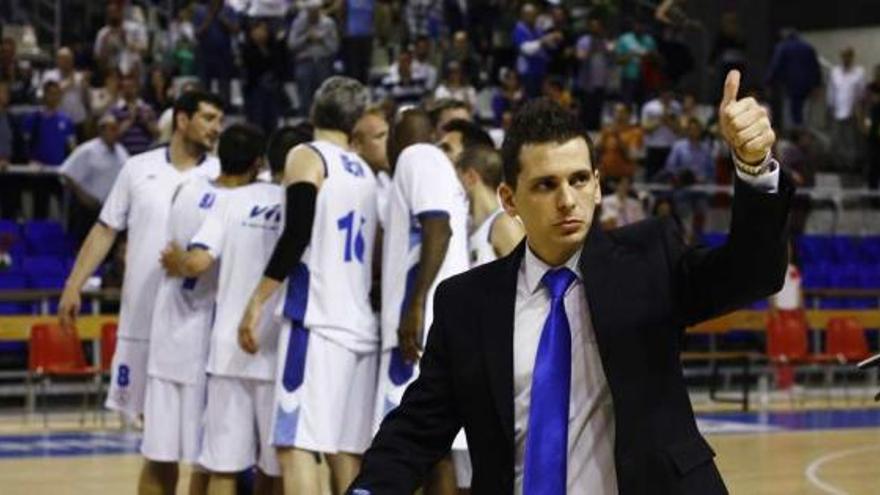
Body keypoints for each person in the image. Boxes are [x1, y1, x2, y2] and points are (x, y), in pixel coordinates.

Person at [349, 70, 790, 494]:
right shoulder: (466, 302)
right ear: (509, 198)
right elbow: (417, 429)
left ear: (597, 186)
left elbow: (753, 272)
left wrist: (753, 168)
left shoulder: (648, 259)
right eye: (545, 185)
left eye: (579, 180)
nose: (566, 200)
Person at [237, 77, 378, 495]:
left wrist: (257, 300)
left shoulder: (306, 155)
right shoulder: (366, 172)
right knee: (345, 452)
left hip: (316, 320)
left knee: (294, 445)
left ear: (315, 110)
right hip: (358, 324)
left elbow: (297, 231)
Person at [58, 90, 224, 422]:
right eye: (208, 118)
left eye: (220, 120)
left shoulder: (223, 175)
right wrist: (73, 284)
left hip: (199, 318)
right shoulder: (137, 168)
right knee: (148, 426)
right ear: (182, 120)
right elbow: (105, 229)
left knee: (198, 427)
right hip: (141, 316)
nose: (216, 128)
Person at [158, 125, 290, 495]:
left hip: (228, 351)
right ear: (259, 162)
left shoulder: (228, 201)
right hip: (276, 348)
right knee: (277, 469)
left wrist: (176, 261)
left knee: (223, 466)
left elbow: (198, 263)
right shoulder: (294, 203)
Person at [139, 123, 264, 495]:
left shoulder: (186, 189)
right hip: (208, 342)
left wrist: (178, 263)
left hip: (168, 330)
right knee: (211, 458)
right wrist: (184, 263)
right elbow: (196, 262)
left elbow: (174, 257)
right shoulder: (241, 202)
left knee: (158, 453)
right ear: (257, 164)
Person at [375, 109, 470, 494]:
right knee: (434, 448)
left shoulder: (417, 157)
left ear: (397, 138)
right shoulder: (439, 166)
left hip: (418, 327)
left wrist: (415, 304)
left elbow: (438, 226)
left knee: (405, 444)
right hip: (440, 321)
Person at [59, 114, 129, 247]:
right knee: (88, 248)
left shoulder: (121, 152)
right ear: (102, 131)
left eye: (117, 128)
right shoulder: (88, 150)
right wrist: (83, 196)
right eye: (112, 129)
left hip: (114, 211)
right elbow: (66, 173)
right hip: (90, 210)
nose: (116, 132)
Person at [21, 80, 77, 219]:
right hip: (40, 172)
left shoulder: (66, 120)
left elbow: (72, 147)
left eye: (57, 94)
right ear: (44, 95)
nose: (54, 97)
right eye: (51, 94)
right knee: (40, 210)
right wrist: (30, 161)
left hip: (60, 172)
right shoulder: (32, 119)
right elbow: (24, 145)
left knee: (66, 211)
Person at [289, 0, 340, 117]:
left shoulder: (328, 24)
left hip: (323, 62)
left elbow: (334, 47)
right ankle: (305, 121)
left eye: (315, 12)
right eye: (310, 12)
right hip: (304, 61)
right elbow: (292, 45)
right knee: (305, 96)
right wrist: (306, 38)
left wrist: (322, 40)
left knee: (323, 96)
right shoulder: (298, 23)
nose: (313, 15)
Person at [765, 29, 821, 128]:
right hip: (806, 86)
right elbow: (815, 68)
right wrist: (816, 85)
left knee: (790, 113)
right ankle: (802, 134)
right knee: (803, 113)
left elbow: (775, 65)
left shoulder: (783, 47)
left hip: (790, 85)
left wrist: (768, 82)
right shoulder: (808, 48)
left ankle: (793, 135)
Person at [827, 47, 866, 172]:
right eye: (844, 56)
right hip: (837, 111)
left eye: (848, 56)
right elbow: (831, 91)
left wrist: (860, 111)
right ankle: (839, 165)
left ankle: (852, 165)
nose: (846, 59)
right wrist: (830, 107)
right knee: (837, 140)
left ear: (852, 57)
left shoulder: (859, 72)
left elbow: (861, 93)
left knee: (851, 141)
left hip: (852, 112)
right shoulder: (835, 72)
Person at [111, 73, 159, 156]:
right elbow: (113, 136)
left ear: (137, 88)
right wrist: (130, 119)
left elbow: (157, 133)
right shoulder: (114, 110)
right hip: (123, 155)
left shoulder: (147, 108)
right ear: (121, 90)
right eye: (126, 87)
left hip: (145, 154)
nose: (129, 90)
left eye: (131, 87)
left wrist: (145, 122)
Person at [641, 88, 682, 181]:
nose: (667, 97)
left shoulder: (676, 107)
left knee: (668, 177)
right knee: (651, 177)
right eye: (665, 95)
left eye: (670, 95)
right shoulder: (649, 107)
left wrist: (666, 119)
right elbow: (646, 128)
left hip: (670, 147)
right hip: (653, 146)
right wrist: (660, 120)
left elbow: (678, 129)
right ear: (661, 94)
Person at [597, 103, 643, 180]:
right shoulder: (607, 130)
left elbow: (632, 156)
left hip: (623, 177)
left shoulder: (635, 132)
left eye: (621, 112)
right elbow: (596, 150)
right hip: (604, 175)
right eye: (616, 112)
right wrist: (603, 135)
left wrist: (618, 137)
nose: (618, 115)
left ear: (629, 114)